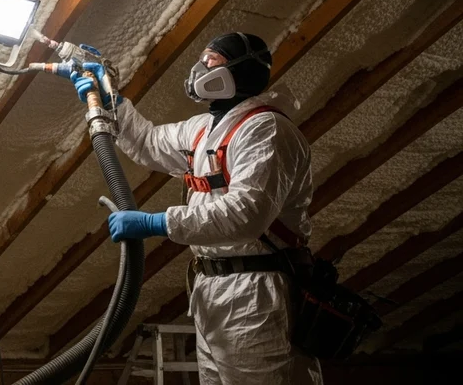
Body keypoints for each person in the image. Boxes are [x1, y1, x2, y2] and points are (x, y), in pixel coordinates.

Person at [71, 32, 322, 385]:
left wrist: (158, 222)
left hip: (254, 290)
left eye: (211, 62)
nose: (200, 69)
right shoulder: (205, 128)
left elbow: (246, 214)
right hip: (211, 288)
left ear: (236, 74)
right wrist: (110, 99)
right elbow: (147, 142)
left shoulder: (266, 130)